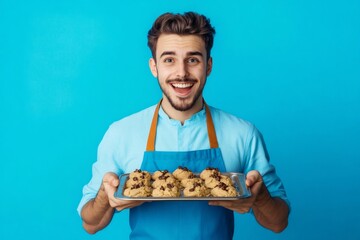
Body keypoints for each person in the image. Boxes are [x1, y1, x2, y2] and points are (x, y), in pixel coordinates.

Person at [77, 11, 290, 239]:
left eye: (193, 60)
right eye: (169, 59)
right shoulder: (121, 133)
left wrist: (260, 197)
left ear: (208, 66)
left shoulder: (242, 133)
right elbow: (91, 224)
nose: (182, 72)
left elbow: (278, 223)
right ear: (154, 66)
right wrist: (104, 195)